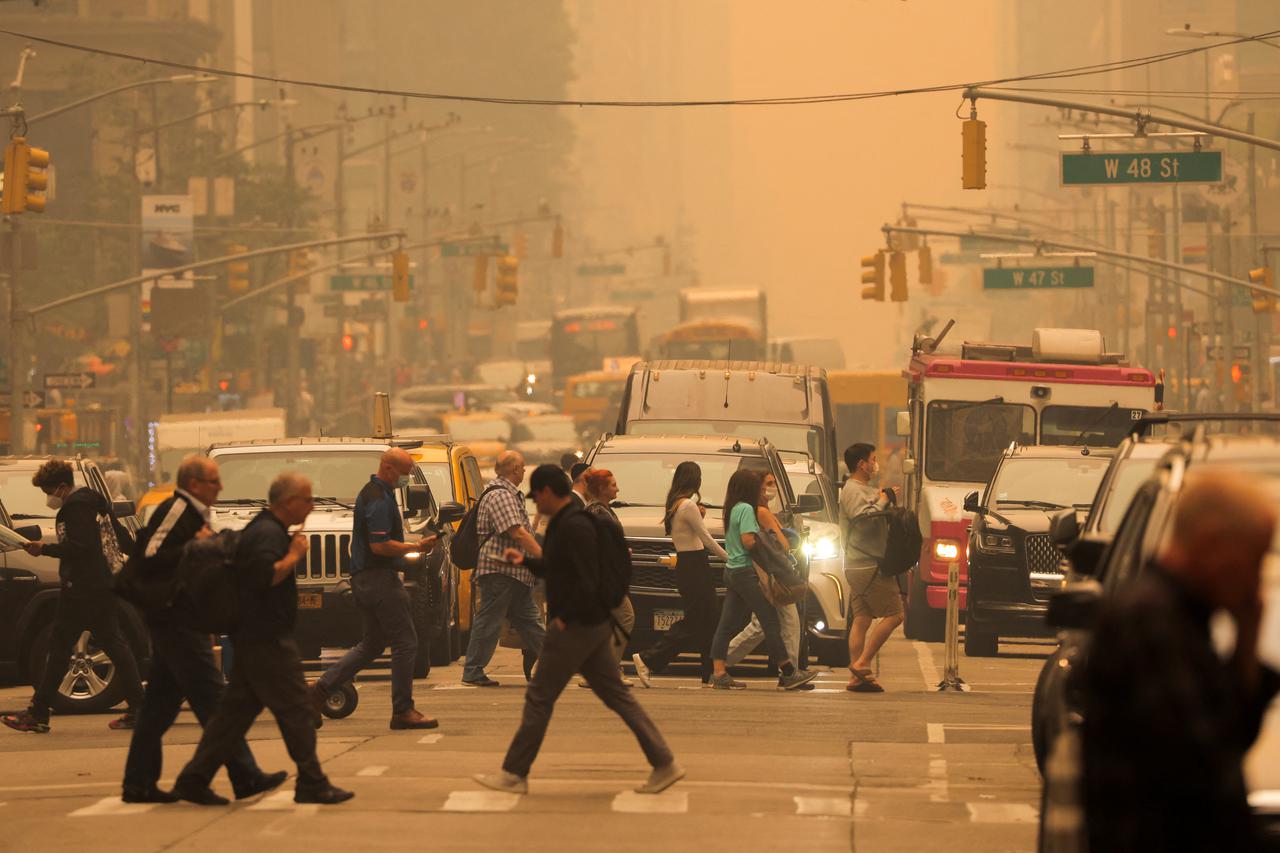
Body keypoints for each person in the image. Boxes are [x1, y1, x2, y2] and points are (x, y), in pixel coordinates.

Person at [1076, 469, 1280, 853]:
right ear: (1211, 544)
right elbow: (1206, 763)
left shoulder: (1181, 618)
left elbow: (1229, 732)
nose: (1255, 580)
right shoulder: (1151, 622)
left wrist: (1247, 636)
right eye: (1251, 560)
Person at [473, 464, 683, 796]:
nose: (535, 503)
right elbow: (559, 569)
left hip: (576, 626)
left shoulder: (573, 525)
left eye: (535, 495)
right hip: (591, 625)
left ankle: (514, 773)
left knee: (539, 697)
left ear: (545, 492)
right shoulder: (568, 521)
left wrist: (563, 618)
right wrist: (523, 561)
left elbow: (586, 579)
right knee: (617, 696)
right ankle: (664, 762)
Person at [174, 473, 354, 806]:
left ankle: (193, 779)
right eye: (307, 499)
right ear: (288, 502)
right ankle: (312, 781)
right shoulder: (268, 534)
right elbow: (263, 577)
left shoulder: (266, 529)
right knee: (298, 710)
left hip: (255, 637)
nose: (312, 506)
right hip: (266, 640)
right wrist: (295, 555)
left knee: (233, 716)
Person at [120, 455, 283, 804]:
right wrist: (200, 545)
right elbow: (149, 555)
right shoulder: (178, 509)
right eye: (213, 481)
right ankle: (245, 775)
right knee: (214, 699)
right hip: (173, 618)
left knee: (158, 707)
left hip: (182, 616)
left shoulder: (195, 513)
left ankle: (138, 783)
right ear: (194, 484)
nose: (220, 486)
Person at [1, 460, 144, 734]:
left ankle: (38, 713)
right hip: (101, 585)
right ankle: (138, 708)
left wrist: (44, 550)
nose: (48, 498)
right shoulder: (96, 503)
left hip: (81, 588)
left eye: (48, 491)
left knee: (60, 649)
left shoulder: (74, 507)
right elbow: (122, 537)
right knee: (112, 644)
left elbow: (81, 548)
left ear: (63, 487)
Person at [311, 448, 439, 729]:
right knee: (406, 643)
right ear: (388, 468)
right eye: (404, 473)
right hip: (379, 580)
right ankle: (403, 710)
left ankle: (320, 690)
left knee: (372, 644)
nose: (406, 478)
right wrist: (415, 546)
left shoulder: (376, 493)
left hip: (367, 579)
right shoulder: (378, 499)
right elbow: (379, 546)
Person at [707, 469, 816, 691]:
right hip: (746, 572)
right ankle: (787, 672)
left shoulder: (732, 509)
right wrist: (766, 549)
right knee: (770, 621)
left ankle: (719, 673)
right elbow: (748, 541)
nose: (762, 489)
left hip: (731, 570)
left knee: (726, 624)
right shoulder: (747, 509)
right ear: (749, 488)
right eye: (758, 486)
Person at [631, 462, 726, 687]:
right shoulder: (688, 506)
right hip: (695, 565)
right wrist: (730, 559)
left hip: (689, 564)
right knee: (694, 620)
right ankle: (647, 658)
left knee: (710, 619)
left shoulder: (676, 505)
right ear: (695, 479)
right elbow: (706, 538)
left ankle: (709, 673)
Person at [461, 451, 547, 687]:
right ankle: (472, 670)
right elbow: (517, 532)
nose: (525, 471)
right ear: (514, 469)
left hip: (513, 573)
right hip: (500, 571)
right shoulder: (501, 496)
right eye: (522, 467)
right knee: (489, 620)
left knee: (530, 621)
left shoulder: (509, 495)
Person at [722, 471, 804, 677]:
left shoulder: (755, 510)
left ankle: (719, 661)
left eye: (774, 482)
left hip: (758, 573)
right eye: (768, 483)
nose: (772, 487)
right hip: (770, 574)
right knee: (786, 621)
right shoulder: (759, 512)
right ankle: (790, 672)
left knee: (760, 625)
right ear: (757, 488)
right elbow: (780, 545)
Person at [841, 443, 903, 693]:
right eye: (873, 459)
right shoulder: (853, 489)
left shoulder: (861, 488)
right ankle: (863, 663)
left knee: (863, 619)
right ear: (861, 464)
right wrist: (883, 501)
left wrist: (882, 498)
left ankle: (857, 677)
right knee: (896, 614)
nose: (876, 464)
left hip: (858, 563)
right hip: (867, 564)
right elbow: (862, 519)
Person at [581, 468, 636, 681]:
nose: (618, 488)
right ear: (602, 489)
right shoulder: (598, 512)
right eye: (613, 485)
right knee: (626, 617)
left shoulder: (602, 510)